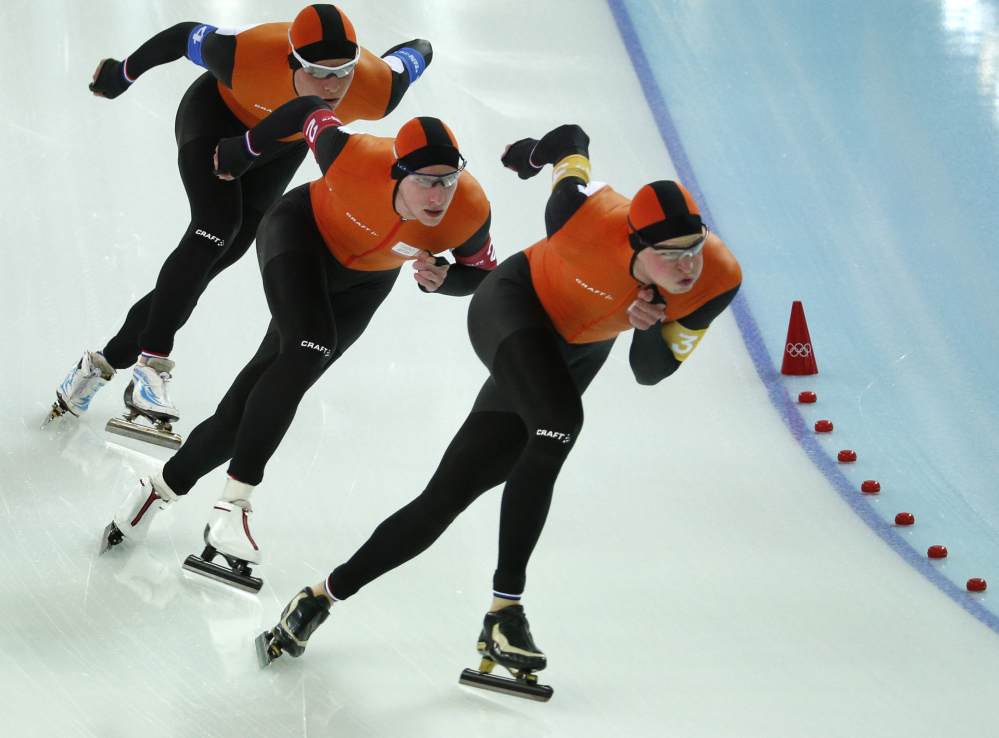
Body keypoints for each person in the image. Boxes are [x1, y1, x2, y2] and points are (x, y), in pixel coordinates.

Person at [251, 124, 743, 700]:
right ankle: (505, 613)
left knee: (446, 498)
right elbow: (573, 142)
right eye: (669, 255)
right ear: (635, 244)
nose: (686, 267)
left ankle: (319, 596)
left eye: (693, 250)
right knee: (560, 425)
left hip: (578, 351)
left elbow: (649, 371)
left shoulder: (717, 277)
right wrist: (531, 156)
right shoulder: (580, 213)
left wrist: (653, 325)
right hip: (513, 306)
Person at [100, 105, 496, 595]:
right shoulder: (352, 156)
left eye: (448, 181)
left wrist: (447, 279)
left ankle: (157, 489)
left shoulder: (470, 209)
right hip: (299, 233)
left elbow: (480, 275)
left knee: (254, 402)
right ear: (397, 171)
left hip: (364, 285)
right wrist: (246, 148)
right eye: (424, 181)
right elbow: (311, 109)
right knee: (308, 347)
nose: (438, 197)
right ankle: (233, 506)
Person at [48, 5, 433, 446]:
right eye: (317, 72)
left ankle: (100, 365)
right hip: (216, 121)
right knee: (215, 226)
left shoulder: (376, 87)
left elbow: (420, 51)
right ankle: (152, 367)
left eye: (343, 72)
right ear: (291, 60)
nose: (333, 86)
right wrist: (122, 73)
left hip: (279, 149)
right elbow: (181, 35)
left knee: (217, 257)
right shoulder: (244, 53)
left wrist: (395, 58)